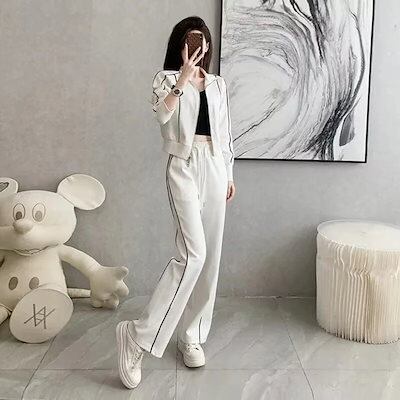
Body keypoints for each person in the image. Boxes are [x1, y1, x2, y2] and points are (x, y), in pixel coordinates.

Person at [115, 16, 236, 390]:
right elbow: (161, 114)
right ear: (180, 44)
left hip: (215, 166)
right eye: (190, 41)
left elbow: (225, 131)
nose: (197, 48)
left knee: (210, 257)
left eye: (202, 42)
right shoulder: (166, 79)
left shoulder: (218, 84)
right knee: (192, 254)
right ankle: (137, 336)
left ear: (208, 47)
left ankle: (191, 336)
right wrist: (182, 78)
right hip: (183, 166)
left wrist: (229, 173)